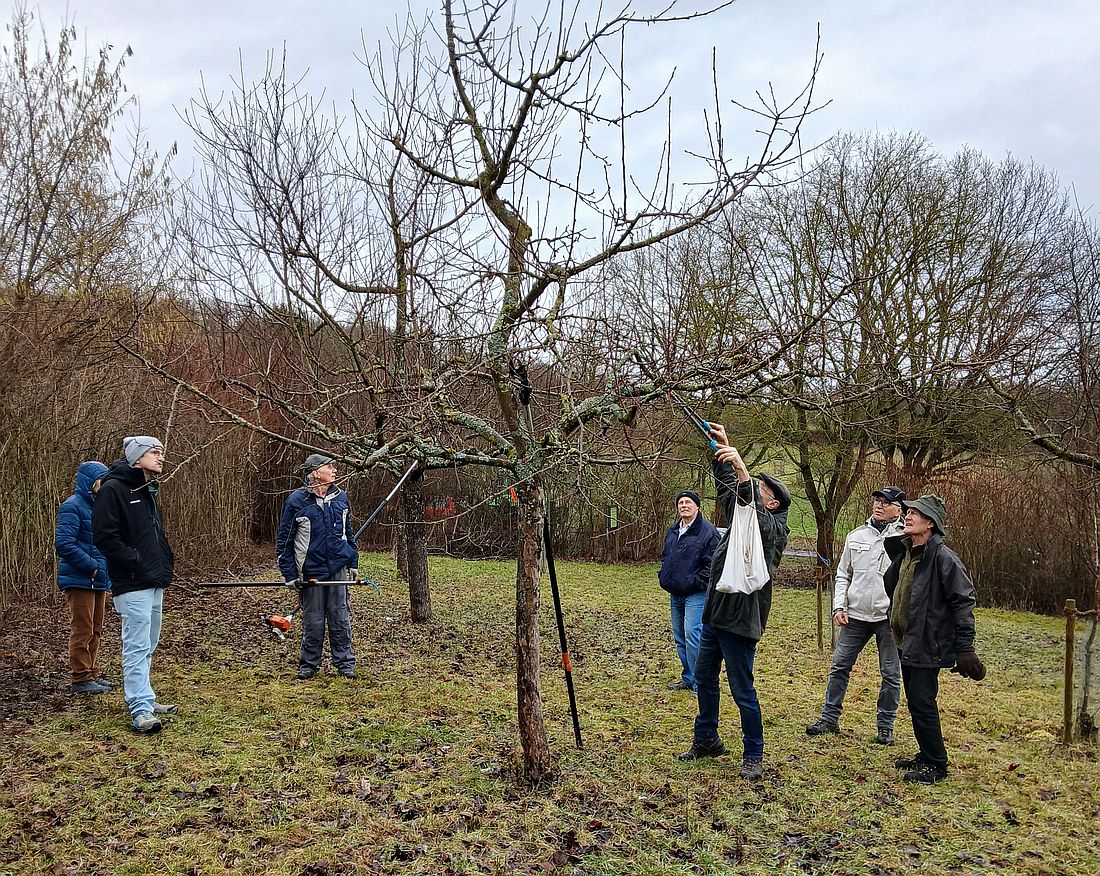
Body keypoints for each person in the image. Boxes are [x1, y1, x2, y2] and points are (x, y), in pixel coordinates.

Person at [678, 424, 790, 780]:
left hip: (741, 621)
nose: (754, 488)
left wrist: (742, 469)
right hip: (715, 613)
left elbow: (754, 513)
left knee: (742, 689)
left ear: (772, 502)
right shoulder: (742, 516)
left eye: (761, 489)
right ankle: (707, 739)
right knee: (704, 678)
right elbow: (731, 492)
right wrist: (722, 452)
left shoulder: (774, 530)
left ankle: (753, 754)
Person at [883, 494, 985, 784]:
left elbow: (963, 601)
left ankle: (937, 765)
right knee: (916, 702)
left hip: (928, 642)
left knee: (922, 701)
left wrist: (965, 648)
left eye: (915, 513)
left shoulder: (943, 558)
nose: (907, 516)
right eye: (907, 512)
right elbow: (895, 588)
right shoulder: (907, 553)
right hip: (906, 640)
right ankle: (926, 755)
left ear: (930, 523)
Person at [806, 486, 906, 744]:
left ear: (898, 508)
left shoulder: (906, 538)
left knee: (891, 673)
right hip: (855, 615)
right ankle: (829, 718)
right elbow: (843, 574)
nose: (879, 505)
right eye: (877, 500)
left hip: (888, 618)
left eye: (886, 502)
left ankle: (885, 726)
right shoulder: (856, 535)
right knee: (839, 665)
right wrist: (839, 606)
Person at [92, 436, 176, 734]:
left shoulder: (146, 489)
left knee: (149, 643)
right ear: (136, 457)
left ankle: (145, 696)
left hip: (154, 578)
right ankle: (139, 708)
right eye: (154, 452)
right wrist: (134, 560)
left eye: (161, 452)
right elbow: (105, 537)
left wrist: (164, 561)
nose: (161, 457)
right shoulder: (113, 489)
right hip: (131, 581)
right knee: (136, 645)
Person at [276, 453, 358, 680]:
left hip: (338, 569)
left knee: (340, 617)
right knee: (313, 620)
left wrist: (353, 560)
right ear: (315, 472)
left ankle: (345, 663)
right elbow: (284, 541)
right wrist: (289, 574)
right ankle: (308, 665)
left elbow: (348, 533)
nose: (335, 470)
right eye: (329, 466)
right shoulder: (296, 501)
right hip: (311, 570)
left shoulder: (341, 497)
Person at [56, 461, 114, 695]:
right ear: (90, 482)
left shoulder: (100, 507)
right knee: (83, 629)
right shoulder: (72, 506)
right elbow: (64, 543)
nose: (105, 485)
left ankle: (91, 673)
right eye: (102, 481)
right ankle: (80, 677)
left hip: (99, 579)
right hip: (80, 578)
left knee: (96, 628)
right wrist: (92, 567)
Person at [658, 490, 720, 691]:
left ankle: (701, 684)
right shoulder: (673, 530)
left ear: (697, 507)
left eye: (688, 502)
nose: (684, 506)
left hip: (696, 593)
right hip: (675, 592)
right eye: (681, 503)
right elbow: (667, 556)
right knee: (680, 637)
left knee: (693, 635)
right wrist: (664, 574)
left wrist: (695, 581)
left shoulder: (708, 532)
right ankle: (688, 677)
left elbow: (713, 565)